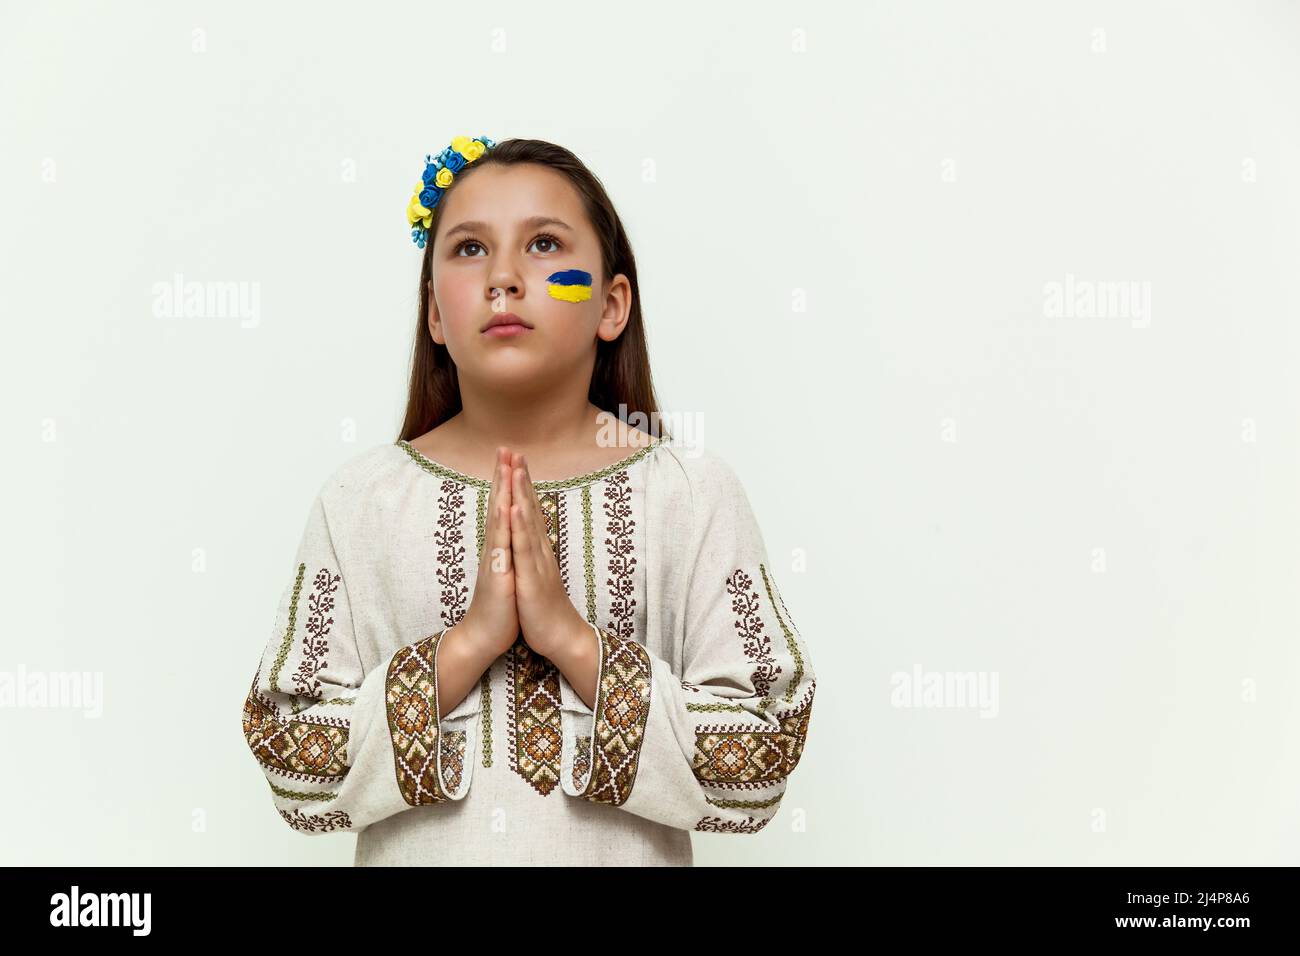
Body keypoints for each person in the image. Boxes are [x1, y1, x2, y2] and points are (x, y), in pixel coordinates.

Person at [240, 135, 817, 865]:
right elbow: (292, 758)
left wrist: (575, 643)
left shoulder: (690, 496)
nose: (504, 277)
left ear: (611, 304)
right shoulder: (362, 502)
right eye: (470, 249)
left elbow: (764, 752)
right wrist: (466, 645)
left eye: (544, 245)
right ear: (435, 315)